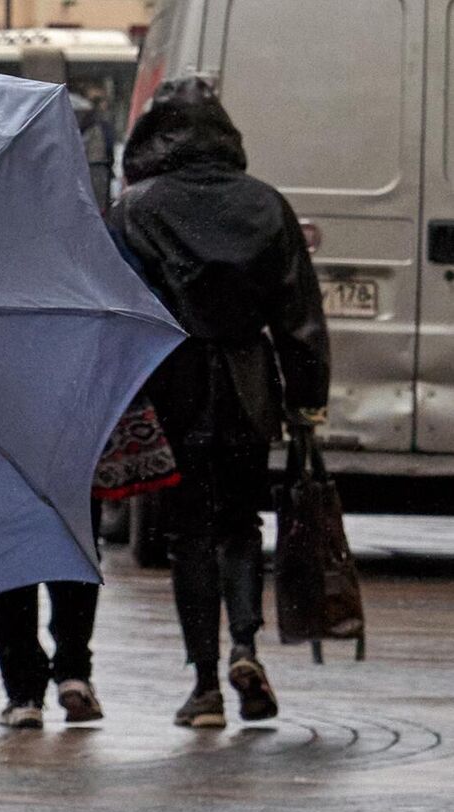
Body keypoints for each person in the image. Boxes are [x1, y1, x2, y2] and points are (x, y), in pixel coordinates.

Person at [109, 78, 330, 729]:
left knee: (188, 533)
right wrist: (305, 404)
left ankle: (204, 683)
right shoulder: (265, 206)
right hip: (247, 380)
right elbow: (300, 317)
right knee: (240, 522)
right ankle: (245, 645)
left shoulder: (136, 209)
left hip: (169, 383)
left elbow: (111, 309)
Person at [0, 507, 103, 728]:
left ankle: (24, 694)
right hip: (70, 480)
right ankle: (74, 674)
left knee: (11, 560)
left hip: (8, 485)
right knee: (72, 545)